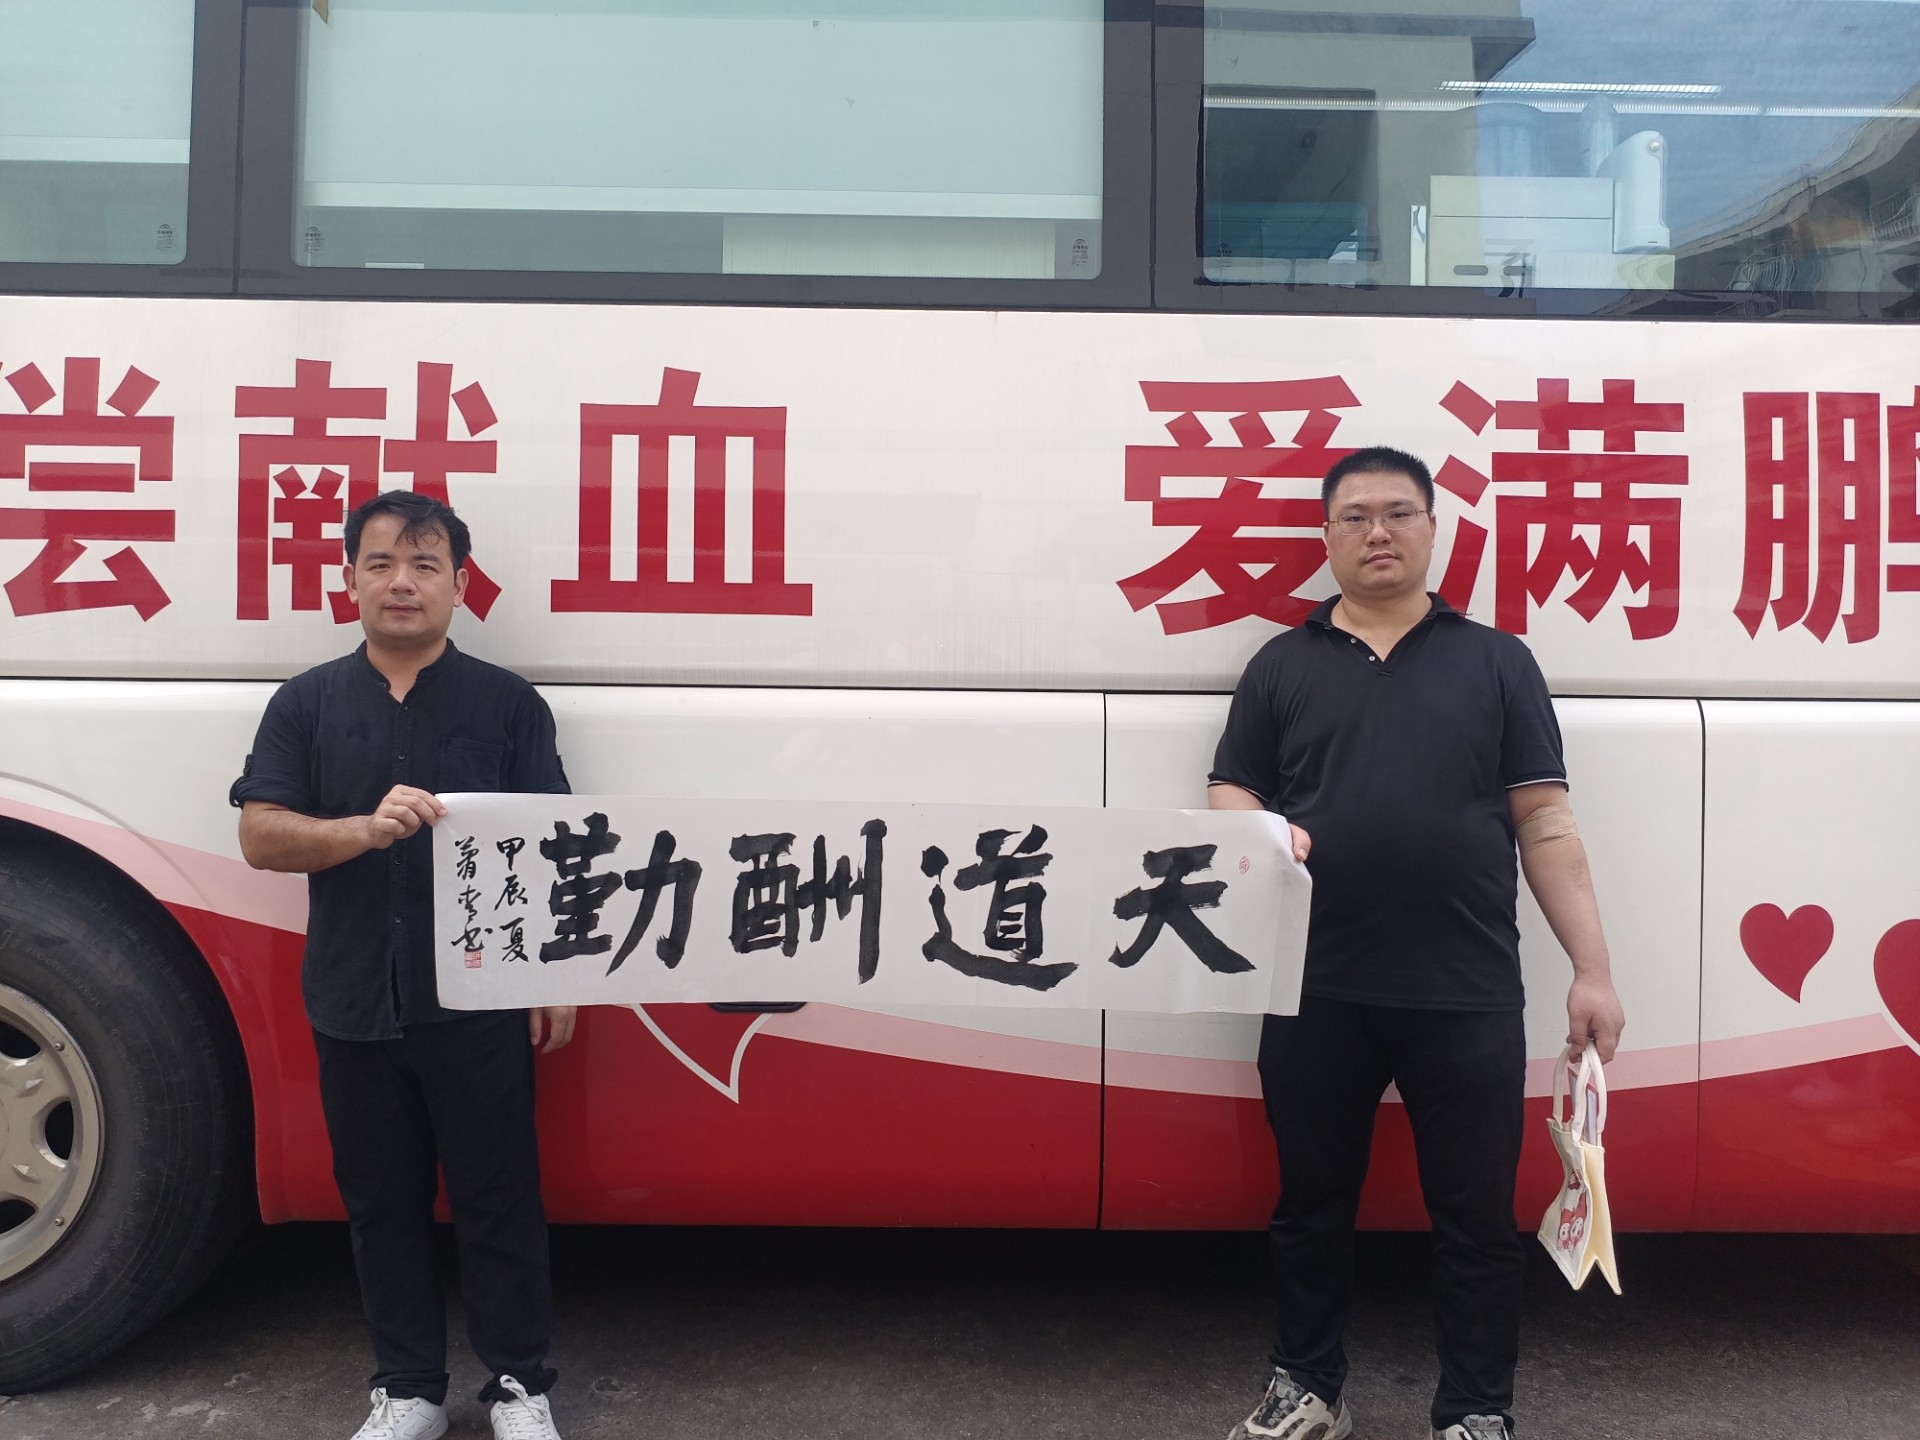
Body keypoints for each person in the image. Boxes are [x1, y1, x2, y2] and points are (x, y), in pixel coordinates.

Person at [1208, 447, 1625, 1440]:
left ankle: (1476, 1409)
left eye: (1399, 512)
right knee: (1310, 1205)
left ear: (1434, 529)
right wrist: (1260, 833)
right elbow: (1232, 788)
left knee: (1476, 1219)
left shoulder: (1498, 661)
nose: (1378, 532)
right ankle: (1306, 1388)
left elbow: (1545, 823)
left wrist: (1593, 970)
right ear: (1327, 537)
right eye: (1354, 516)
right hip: (1315, 985)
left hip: (1466, 989)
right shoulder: (1281, 665)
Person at [232, 490, 575, 1440]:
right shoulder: (305, 703)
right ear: (349, 580)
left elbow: (556, 846)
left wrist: (554, 976)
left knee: (499, 1198)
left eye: (426, 565)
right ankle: (409, 1389)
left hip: (479, 998)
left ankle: (519, 1385)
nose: (402, 583)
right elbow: (260, 834)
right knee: (380, 1204)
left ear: (460, 587)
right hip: (354, 999)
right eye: (381, 563)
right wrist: (361, 829)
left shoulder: (507, 703)